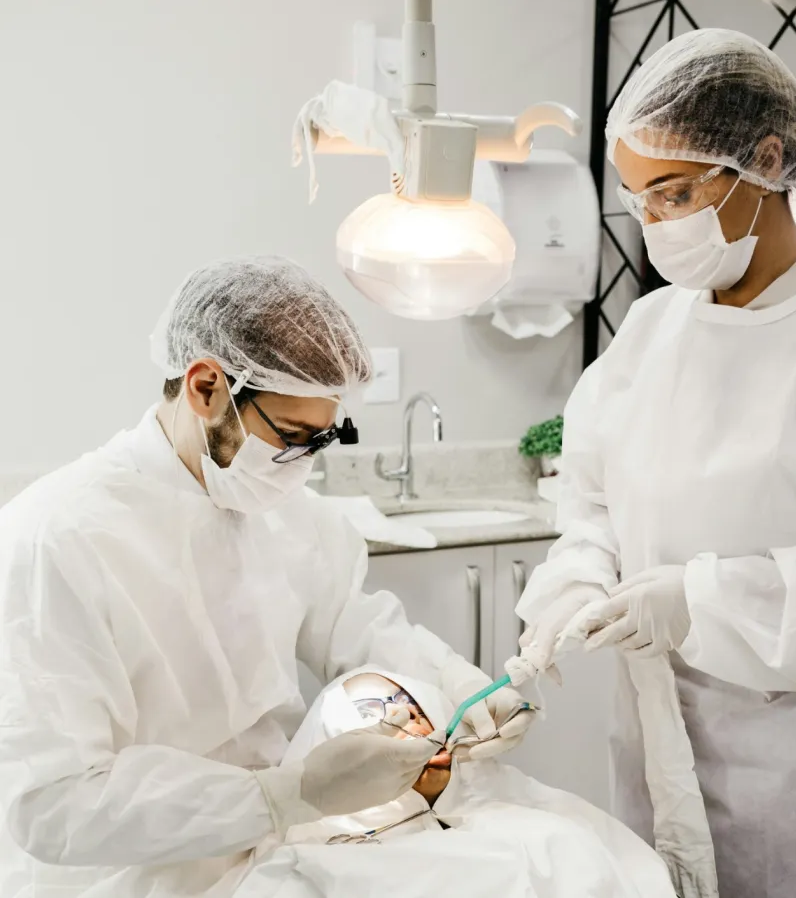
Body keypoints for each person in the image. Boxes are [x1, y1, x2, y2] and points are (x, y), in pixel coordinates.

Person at [0, 256, 534, 898]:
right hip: (130, 872)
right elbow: (53, 805)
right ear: (205, 388)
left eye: (323, 439)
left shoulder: (283, 511)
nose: (302, 465)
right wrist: (283, 795)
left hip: (275, 850)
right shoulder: (57, 537)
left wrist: (463, 687)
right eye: (292, 436)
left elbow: (354, 626)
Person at [516, 28, 796, 898]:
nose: (657, 224)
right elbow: (590, 503)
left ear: (764, 161)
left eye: (674, 192)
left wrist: (696, 600)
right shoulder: (654, 331)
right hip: (654, 754)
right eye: (640, 200)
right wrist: (578, 580)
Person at [232, 666, 679, 898]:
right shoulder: (304, 870)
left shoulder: (548, 831)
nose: (405, 716)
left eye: (407, 701)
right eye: (374, 711)